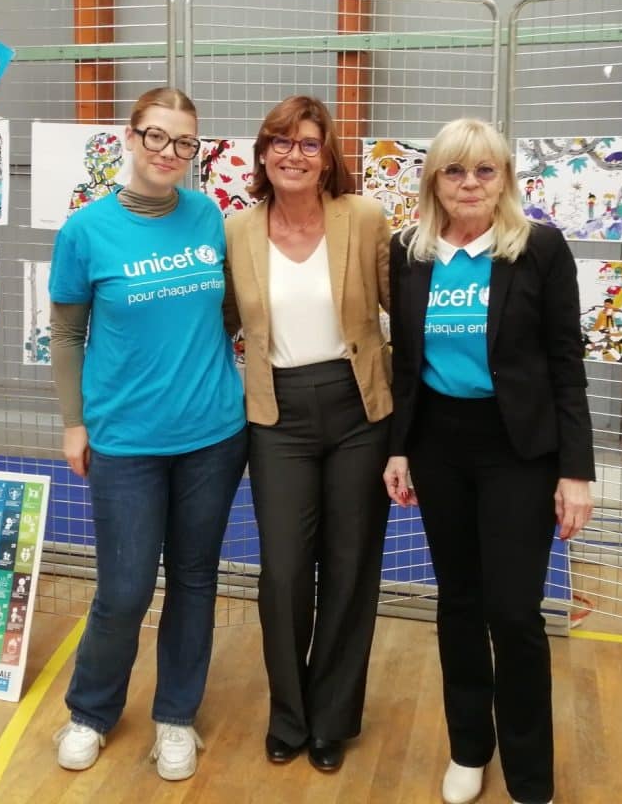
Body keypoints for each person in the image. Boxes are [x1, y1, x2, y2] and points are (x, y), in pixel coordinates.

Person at [383, 118, 595, 804]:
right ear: (433, 180)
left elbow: (566, 363)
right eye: (454, 171)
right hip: (440, 446)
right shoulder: (408, 251)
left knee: (513, 612)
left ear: (505, 178)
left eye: (484, 170)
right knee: (460, 604)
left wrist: (576, 469)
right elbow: (406, 362)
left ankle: (531, 771)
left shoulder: (538, 249)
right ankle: (469, 748)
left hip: (519, 451)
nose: (469, 184)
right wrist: (400, 447)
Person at [48, 87, 247, 781]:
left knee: (194, 580)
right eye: (156, 137)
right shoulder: (86, 230)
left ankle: (175, 718)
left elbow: (226, 312)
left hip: (213, 435)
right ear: (130, 139)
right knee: (125, 588)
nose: (169, 152)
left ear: (196, 152)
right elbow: (68, 333)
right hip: (124, 441)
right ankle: (91, 711)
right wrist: (75, 423)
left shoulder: (208, 216)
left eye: (184, 142)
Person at [224, 94, 391, 773]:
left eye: (309, 144)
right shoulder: (236, 231)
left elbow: (403, 313)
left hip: (359, 413)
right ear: (263, 153)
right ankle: (288, 715)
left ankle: (331, 719)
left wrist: (412, 420)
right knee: (286, 572)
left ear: (329, 157)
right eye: (282, 142)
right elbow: (222, 320)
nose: (295, 154)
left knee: (351, 569)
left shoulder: (365, 218)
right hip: (278, 414)